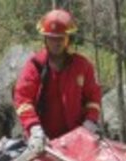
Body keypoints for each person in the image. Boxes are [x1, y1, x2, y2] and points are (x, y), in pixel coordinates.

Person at [13, 9, 102, 152]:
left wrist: (90, 122)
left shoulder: (82, 66)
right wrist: (34, 128)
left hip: (76, 141)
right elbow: (23, 99)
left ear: (68, 38)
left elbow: (93, 98)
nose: (56, 43)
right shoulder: (35, 65)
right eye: (51, 38)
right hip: (43, 142)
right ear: (45, 39)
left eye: (61, 38)